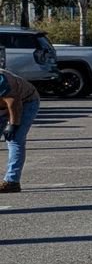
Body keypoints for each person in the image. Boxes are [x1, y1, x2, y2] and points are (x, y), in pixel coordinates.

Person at [1, 64, 39, 193]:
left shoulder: (2, 80)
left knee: (15, 140)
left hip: (26, 101)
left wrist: (13, 124)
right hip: (2, 107)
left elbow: (13, 102)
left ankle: (12, 181)